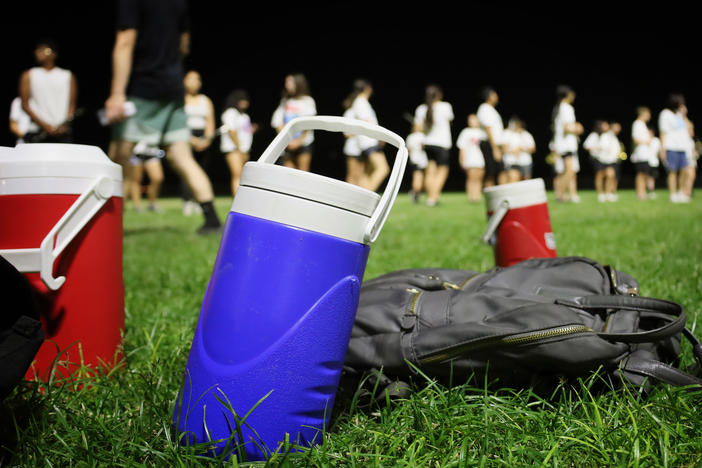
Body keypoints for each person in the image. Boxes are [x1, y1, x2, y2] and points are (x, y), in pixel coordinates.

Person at [103, 0, 222, 234]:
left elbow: (125, 42)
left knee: (120, 156)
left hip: (142, 87)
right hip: (173, 89)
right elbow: (184, 46)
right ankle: (212, 219)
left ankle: (107, 224)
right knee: (182, 157)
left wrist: (117, 94)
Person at [18, 38, 78, 144]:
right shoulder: (28, 75)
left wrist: (64, 125)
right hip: (37, 132)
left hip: (62, 132)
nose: (37, 53)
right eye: (37, 50)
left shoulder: (67, 76)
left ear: (53, 53)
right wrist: (46, 126)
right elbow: (25, 105)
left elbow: (71, 106)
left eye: (42, 50)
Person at [341, 79, 389, 192]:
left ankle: (360, 197)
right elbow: (366, 121)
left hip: (364, 142)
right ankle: (366, 198)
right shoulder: (361, 102)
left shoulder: (359, 102)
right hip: (368, 141)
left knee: (363, 175)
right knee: (382, 169)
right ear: (367, 88)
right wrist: (379, 135)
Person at [413, 84, 454, 206]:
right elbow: (450, 122)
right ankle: (433, 197)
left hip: (427, 144)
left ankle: (430, 197)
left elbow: (417, 128)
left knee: (430, 172)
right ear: (439, 95)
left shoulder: (421, 109)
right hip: (442, 144)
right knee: (442, 171)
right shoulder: (445, 106)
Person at [182, 69, 216, 216]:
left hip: (203, 138)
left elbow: (210, 122)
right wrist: (190, 139)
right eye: (191, 79)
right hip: (185, 136)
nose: (194, 83)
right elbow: (178, 123)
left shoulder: (205, 100)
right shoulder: (181, 99)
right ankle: (187, 201)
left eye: (197, 79)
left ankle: (199, 201)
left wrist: (206, 140)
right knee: (186, 169)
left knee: (202, 169)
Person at [270, 73, 317, 171]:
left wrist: (298, 142)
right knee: (288, 172)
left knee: (303, 173)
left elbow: (308, 124)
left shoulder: (307, 101)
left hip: (303, 143)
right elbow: (277, 121)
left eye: (289, 82)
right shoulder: (285, 101)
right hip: (287, 144)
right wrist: (287, 140)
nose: (287, 85)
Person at [220, 89, 256, 197]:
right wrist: (239, 148)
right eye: (242, 100)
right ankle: (237, 199)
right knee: (237, 174)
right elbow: (232, 131)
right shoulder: (231, 112)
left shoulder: (245, 116)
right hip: (233, 149)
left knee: (243, 176)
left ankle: (242, 198)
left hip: (244, 149)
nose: (245, 103)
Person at [551, 85, 584, 203]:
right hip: (566, 145)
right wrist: (577, 128)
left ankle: (565, 195)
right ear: (567, 95)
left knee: (568, 171)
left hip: (562, 145)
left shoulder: (559, 107)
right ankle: (560, 194)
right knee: (570, 171)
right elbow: (566, 127)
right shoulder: (566, 108)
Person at [658, 93, 690, 203]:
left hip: (683, 147)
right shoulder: (665, 114)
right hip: (671, 147)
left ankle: (681, 192)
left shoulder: (680, 115)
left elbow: (689, 130)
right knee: (672, 171)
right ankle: (673, 194)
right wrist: (663, 149)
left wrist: (684, 115)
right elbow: (663, 132)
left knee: (684, 171)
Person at [476, 86, 505, 187]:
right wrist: (495, 148)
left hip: (494, 144)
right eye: (494, 94)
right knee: (490, 172)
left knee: (499, 170)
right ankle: (490, 195)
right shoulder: (485, 108)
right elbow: (488, 128)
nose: (496, 96)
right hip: (489, 144)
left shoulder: (491, 110)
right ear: (489, 96)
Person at [456, 113, 486, 203]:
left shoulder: (482, 133)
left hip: (480, 159)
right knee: (471, 178)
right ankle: (471, 196)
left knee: (479, 178)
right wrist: (461, 159)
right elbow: (462, 147)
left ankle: (477, 196)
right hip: (470, 159)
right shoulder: (465, 132)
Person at [128, 141, 165, 212]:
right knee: (136, 180)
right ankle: (137, 206)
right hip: (136, 153)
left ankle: (152, 204)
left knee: (157, 178)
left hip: (152, 153)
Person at [630, 106, 656, 200]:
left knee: (645, 174)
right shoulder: (637, 124)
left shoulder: (643, 125)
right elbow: (635, 139)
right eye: (647, 114)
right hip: (640, 154)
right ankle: (640, 193)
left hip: (645, 154)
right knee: (641, 174)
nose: (649, 116)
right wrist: (647, 141)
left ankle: (643, 192)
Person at [501, 116, 535, 183]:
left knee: (526, 180)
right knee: (513, 178)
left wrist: (522, 149)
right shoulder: (508, 134)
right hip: (513, 162)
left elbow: (532, 149)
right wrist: (513, 151)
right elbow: (504, 148)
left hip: (525, 162)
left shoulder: (526, 135)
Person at [405, 124, 427, 203]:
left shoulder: (410, 137)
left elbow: (408, 149)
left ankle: (416, 193)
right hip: (421, 160)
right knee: (419, 177)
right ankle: (415, 193)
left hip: (413, 159)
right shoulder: (422, 136)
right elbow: (423, 147)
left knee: (417, 177)